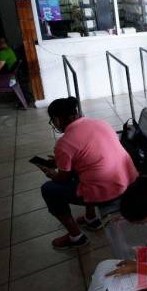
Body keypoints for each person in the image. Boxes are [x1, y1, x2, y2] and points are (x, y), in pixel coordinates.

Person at [39, 97, 138, 249]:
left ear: (58, 119)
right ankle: (91, 219)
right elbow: (88, 157)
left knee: (49, 189)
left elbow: (63, 178)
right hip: (128, 182)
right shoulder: (100, 123)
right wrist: (61, 162)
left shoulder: (64, 143)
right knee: (85, 170)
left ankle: (76, 237)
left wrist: (52, 173)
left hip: (109, 193)